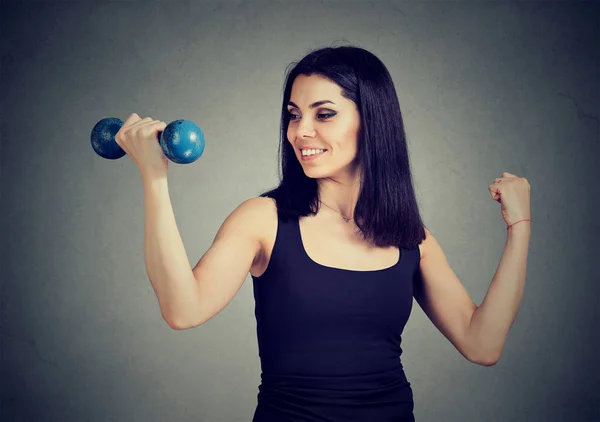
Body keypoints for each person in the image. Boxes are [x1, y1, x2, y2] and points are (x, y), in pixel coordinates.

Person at [115, 45, 530, 422]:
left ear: (372, 121)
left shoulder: (411, 238)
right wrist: (154, 178)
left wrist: (519, 228)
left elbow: (482, 344)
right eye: (294, 115)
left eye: (324, 113)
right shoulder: (263, 220)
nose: (300, 131)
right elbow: (182, 310)